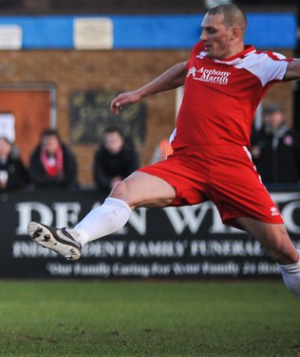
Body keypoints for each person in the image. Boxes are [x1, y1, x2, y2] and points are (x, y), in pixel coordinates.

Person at [28, 4, 300, 298]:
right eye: (203, 29)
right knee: (123, 190)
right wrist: (140, 92)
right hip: (185, 163)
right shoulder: (201, 53)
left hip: (231, 167)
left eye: (211, 30)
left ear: (235, 33)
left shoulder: (259, 64)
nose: (203, 36)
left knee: (283, 250)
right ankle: (75, 237)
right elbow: (185, 70)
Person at [250, 103, 300, 186]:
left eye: (274, 114)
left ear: (281, 116)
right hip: (264, 185)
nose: (271, 118)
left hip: (289, 186)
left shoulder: (293, 136)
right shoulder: (257, 137)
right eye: (268, 115)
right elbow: (247, 160)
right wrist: (252, 154)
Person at [93, 127, 140, 194]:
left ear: (121, 141)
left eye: (113, 141)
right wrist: (110, 183)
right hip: (104, 191)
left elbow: (134, 174)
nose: (110, 144)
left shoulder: (130, 153)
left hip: (128, 191)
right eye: (108, 141)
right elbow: (98, 176)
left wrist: (121, 183)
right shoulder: (100, 154)